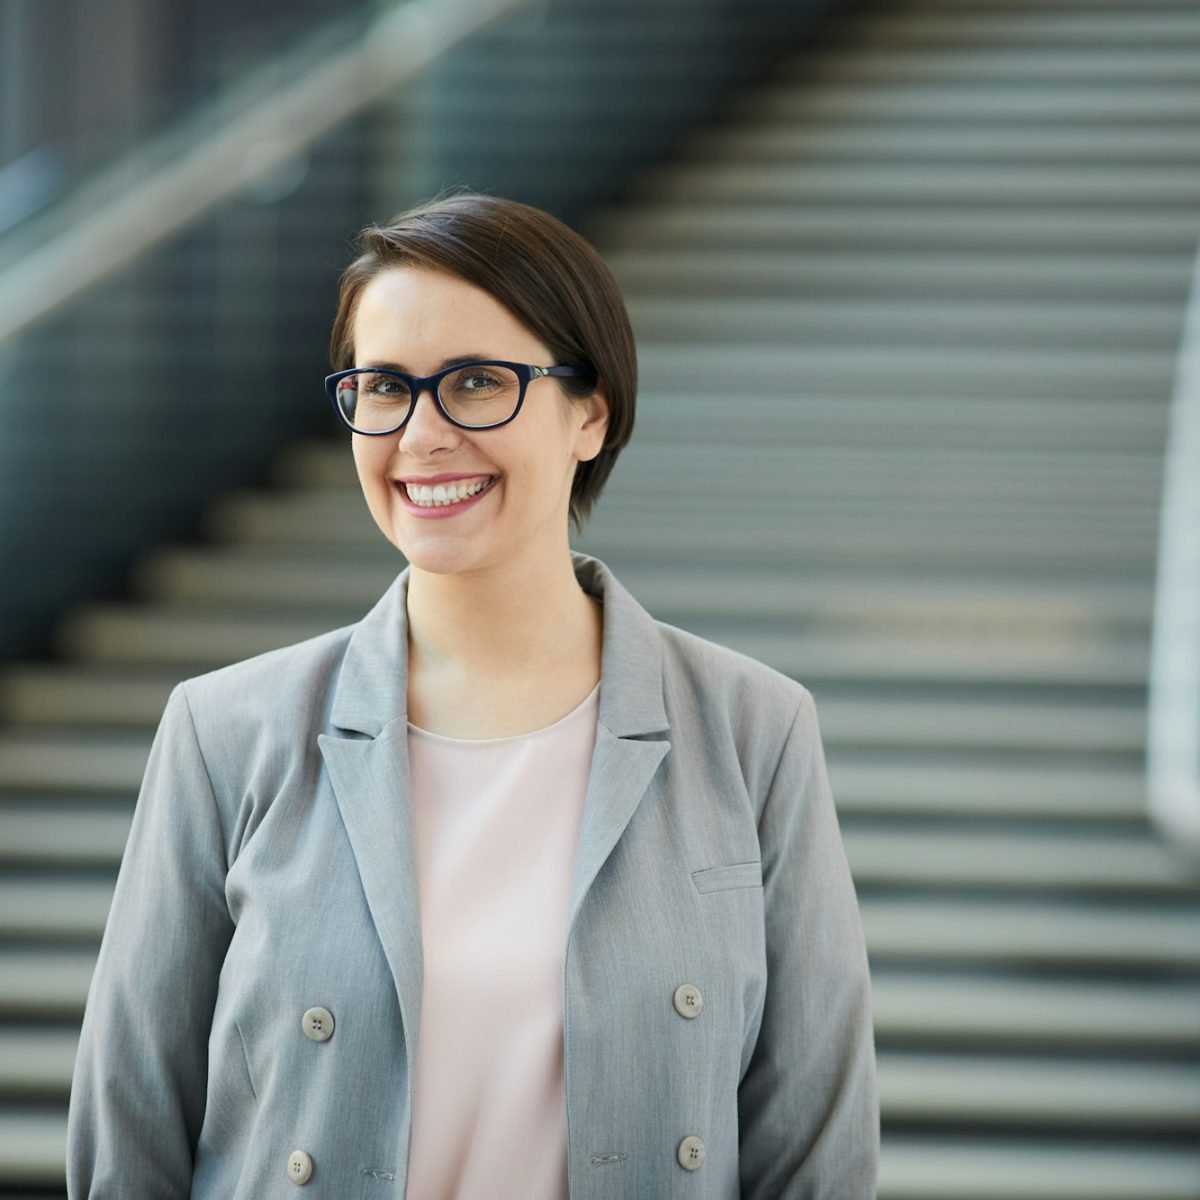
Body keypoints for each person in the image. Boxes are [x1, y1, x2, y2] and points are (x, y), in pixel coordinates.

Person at [66, 190, 879, 1198]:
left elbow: (816, 1158)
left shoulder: (752, 731)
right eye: (384, 387)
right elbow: (127, 1140)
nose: (422, 433)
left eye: (479, 382)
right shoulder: (227, 733)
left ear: (593, 412)